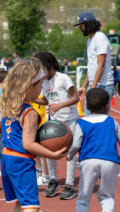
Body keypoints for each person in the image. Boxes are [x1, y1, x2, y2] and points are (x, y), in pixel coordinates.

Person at [0, 58, 66, 212]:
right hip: (21, 161)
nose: (42, 88)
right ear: (28, 86)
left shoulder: (9, 105)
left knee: (19, 203)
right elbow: (28, 144)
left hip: (6, 158)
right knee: (31, 206)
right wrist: (52, 154)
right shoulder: (29, 113)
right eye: (39, 84)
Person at [67, 88, 120, 212]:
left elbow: (76, 144)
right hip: (110, 161)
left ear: (87, 105)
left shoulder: (81, 123)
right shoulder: (111, 121)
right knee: (107, 195)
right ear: (107, 106)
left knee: (84, 196)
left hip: (88, 161)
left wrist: (69, 155)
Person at [35, 51, 80, 200]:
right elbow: (46, 101)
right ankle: (53, 181)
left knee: (71, 152)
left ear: (49, 66)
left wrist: (60, 105)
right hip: (54, 121)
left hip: (70, 120)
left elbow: (76, 97)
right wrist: (30, 98)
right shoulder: (44, 82)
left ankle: (69, 185)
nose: (40, 72)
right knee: (49, 149)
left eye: (41, 69)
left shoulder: (63, 78)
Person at [74, 11, 114, 115]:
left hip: (103, 85)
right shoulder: (90, 40)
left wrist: (93, 87)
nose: (80, 28)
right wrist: (84, 86)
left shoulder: (100, 38)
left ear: (88, 24)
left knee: (98, 120)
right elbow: (92, 66)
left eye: (81, 25)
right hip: (94, 85)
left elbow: (101, 65)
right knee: (89, 119)